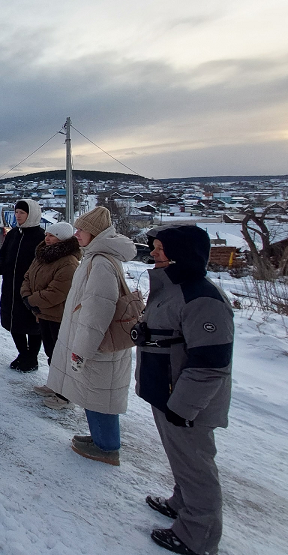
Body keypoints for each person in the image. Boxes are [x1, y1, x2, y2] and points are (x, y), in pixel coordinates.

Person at [135, 225, 234, 555]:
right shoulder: (172, 288)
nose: (154, 254)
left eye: (161, 249)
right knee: (182, 460)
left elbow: (210, 364)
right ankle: (182, 503)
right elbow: (167, 330)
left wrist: (182, 407)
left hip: (187, 404)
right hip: (166, 393)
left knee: (197, 469)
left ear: (182, 254)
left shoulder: (203, 298)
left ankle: (198, 536)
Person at [45, 206, 136, 465]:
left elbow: (96, 312)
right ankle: (99, 439)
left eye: (81, 229)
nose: (77, 234)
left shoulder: (101, 264)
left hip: (97, 344)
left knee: (99, 395)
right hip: (94, 342)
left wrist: (81, 349)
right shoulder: (96, 258)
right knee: (93, 392)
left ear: (94, 233)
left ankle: (107, 446)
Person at [20, 222, 82, 407]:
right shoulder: (42, 255)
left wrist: (32, 301)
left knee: (60, 354)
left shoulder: (68, 262)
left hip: (58, 315)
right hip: (43, 313)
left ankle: (65, 396)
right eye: (47, 234)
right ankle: (54, 384)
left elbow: (57, 292)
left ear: (62, 239)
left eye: (52, 236)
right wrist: (26, 295)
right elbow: (27, 277)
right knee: (50, 353)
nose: (47, 238)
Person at [0, 199, 46, 372]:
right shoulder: (13, 234)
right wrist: (2, 266)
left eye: (22, 213)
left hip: (31, 289)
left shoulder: (41, 237)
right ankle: (23, 353)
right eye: (16, 212)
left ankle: (31, 358)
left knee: (33, 326)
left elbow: (44, 264)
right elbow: (3, 253)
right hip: (11, 287)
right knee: (13, 322)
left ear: (31, 214)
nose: (18, 216)